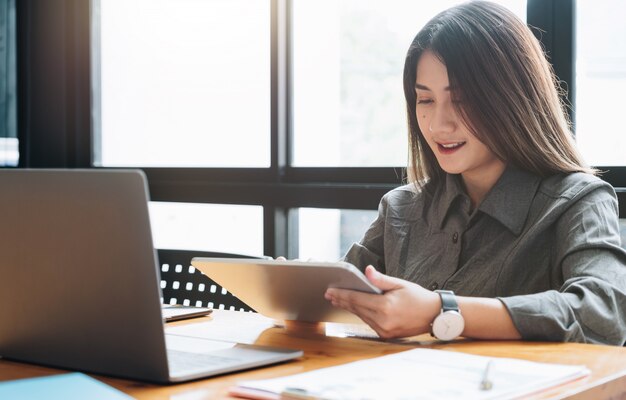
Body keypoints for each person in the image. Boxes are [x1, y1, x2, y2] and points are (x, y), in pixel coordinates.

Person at [324, 1, 626, 345]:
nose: (439, 124)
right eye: (425, 100)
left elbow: (603, 316)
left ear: (512, 99)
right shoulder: (400, 208)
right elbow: (333, 293)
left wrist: (442, 310)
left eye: (462, 99)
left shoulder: (577, 202)